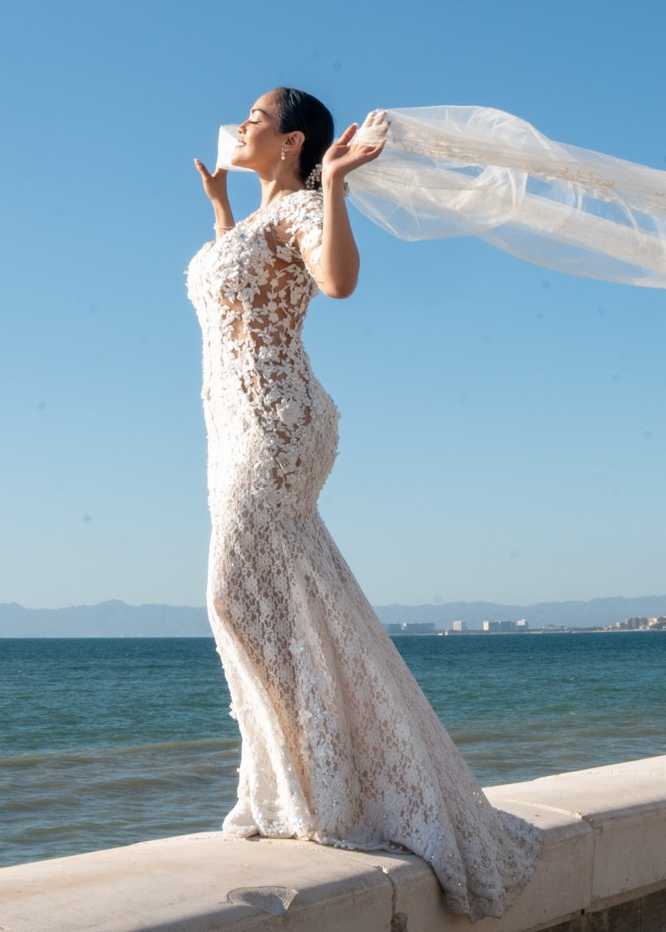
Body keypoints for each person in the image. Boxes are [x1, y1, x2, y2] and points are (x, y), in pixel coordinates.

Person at [188, 87, 539, 919]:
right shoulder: (253, 220)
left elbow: (336, 284)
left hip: (278, 422)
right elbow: (237, 298)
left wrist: (335, 185)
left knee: (233, 592)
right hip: (230, 427)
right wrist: (222, 210)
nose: (239, 127)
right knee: (289, 591)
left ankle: (331, 786)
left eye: (256, 121)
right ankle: (304, 788)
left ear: (293, 142)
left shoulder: (303, 211)